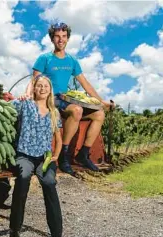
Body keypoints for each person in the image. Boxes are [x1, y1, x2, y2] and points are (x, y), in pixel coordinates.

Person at [25, 22, 114, 174]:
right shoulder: (44, 58)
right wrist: (30, 97)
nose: (61, 40)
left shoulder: (72, 61)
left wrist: (101, 102)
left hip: (66, 98)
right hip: (50, 98)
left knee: (99, 114)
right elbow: (35, 81)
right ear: (52, 39)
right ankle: (63, 157)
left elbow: (85, 83)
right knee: (77, 110)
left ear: (68, 38)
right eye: (57, 37)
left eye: (64, 36)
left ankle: (83, 155)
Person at [0, 75, 65, 237]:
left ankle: (57, 236)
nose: (43, 88)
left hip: (44, 157)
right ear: (34, 88)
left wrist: (56, 156)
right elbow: (2, 106)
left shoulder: (54, 112)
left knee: (49, 183)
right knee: (23, 178)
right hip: (24, 155)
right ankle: (15, 230)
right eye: (39, 85)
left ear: (50, 90)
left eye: (46, 86)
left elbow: (59, 139)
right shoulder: (24, 104)